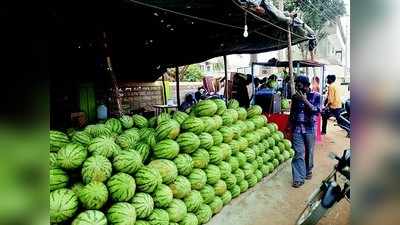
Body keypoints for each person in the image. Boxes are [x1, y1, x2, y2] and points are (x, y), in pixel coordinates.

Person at [290, 75, 321, 188]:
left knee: (309, 152)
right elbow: (292, 112)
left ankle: (308, 171)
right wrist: (289, 126)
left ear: (306, 86)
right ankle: (298, 178)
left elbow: (316, 111)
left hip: (310, 128)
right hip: (297, 128)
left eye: (299, 85)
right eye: (297, 85)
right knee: (298, 152)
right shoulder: (295, 97)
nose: (298, 88)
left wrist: (304, 100)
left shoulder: (316, 96)